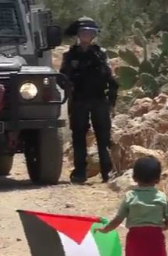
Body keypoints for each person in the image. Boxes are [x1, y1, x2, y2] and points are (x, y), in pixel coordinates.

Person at [59, 17, 118, 184]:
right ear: (78, 34)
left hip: (99, 99)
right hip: (79, 101)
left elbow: (111, 79)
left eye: (90, 33)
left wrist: (111, 103)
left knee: (103, 136)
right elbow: (62, 78)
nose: (87, 36)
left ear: (94, 35)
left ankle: (107, 172)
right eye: (84, 32)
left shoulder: (101, 54)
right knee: (78, 137)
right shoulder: (70, 55)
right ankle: (80, 172)